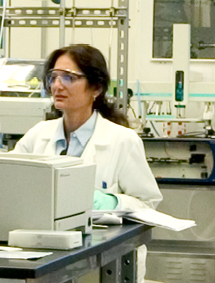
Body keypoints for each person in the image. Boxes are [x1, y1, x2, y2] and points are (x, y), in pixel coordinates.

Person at [14, 42, 160, 207]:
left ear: (96, 88)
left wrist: (114, 203)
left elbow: (148, 202)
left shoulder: (123, 140)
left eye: (68, 77)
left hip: (100, 232)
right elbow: (10, 182)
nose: (57, 86)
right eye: (53, 77)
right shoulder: (38, 135)